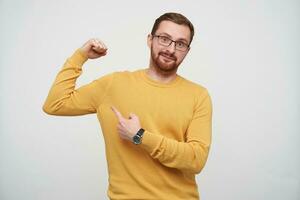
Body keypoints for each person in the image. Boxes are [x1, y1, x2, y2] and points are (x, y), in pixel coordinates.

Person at [43, 12, 212, 200]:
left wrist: (140, 136)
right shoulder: (113, 85)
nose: (171, 49)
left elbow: (196, 160)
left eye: (180, 44)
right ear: (150, 40)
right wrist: (80, 56)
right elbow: (55, 104)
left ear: (187, 50)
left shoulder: (198, 95)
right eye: (164, 39)